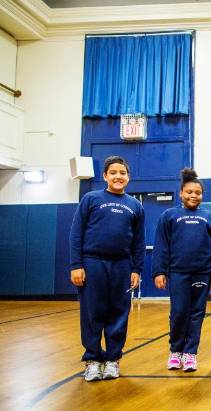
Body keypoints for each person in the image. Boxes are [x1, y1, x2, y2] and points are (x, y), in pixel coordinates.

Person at [69, 155, 145, 382]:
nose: (118, 176)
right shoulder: (91, 199)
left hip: (122, 265)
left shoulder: (135, 206)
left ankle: (112, 359)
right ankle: (93, 360)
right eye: (113, 172)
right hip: (93, 263)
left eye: (122, 173)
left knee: (119, 313)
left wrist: (136, 269)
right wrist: (76, 265)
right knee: (92, 313)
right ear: (105, 176)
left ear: (128, 177)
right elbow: (76, 234)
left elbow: (138, 242)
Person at [152, 168, 211, 372]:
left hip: (202, 273)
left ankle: (190, 354)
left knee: (197, 313)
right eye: (189, 192)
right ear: (181, 193)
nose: (193, 195)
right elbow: (161, 245)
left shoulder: (210, 217)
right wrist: (159, 271)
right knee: (180, 311)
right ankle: (176, 351)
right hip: (178, 273)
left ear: (202, 195)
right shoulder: (169, 215)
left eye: (197, 193)